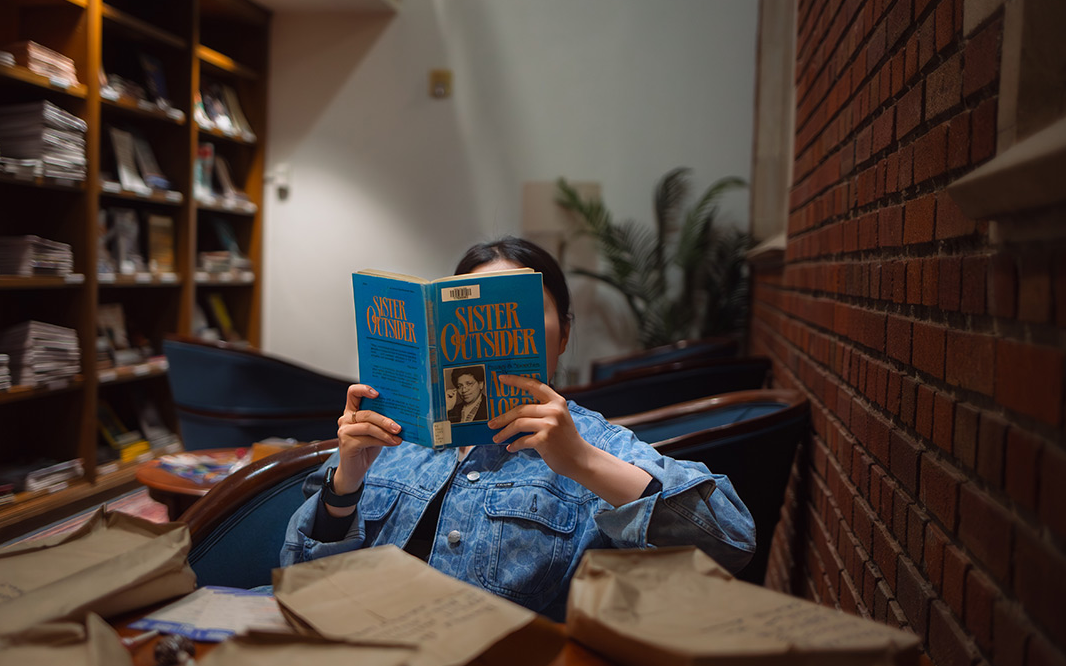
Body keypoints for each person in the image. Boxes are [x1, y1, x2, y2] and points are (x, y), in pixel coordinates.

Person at [280, 236, 754, 621]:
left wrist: (583, 463)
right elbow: (298, 577)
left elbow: (730, 542)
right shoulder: (398, 432)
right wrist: (346, 482)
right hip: (349, 645)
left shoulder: (591, 444)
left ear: (563, 334)